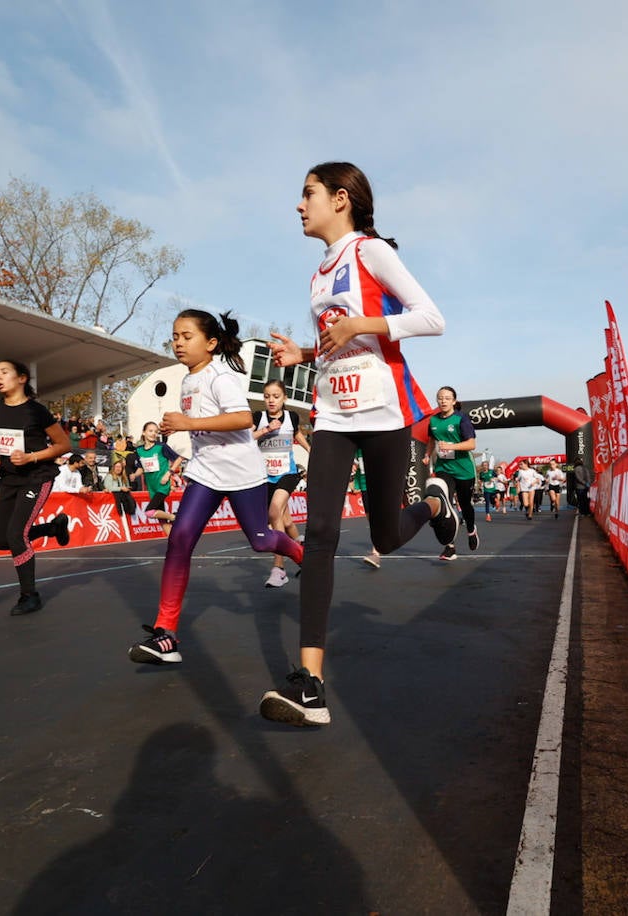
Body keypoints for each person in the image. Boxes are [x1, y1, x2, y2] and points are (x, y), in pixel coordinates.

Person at [259, 161, 457, 726]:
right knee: (319, 534)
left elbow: (432, 318)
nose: (299, 205)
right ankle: (311, 685)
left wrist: (364, 324)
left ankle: (435, 502)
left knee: (386, 536)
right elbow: (337, 340)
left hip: (385, 412)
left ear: (340, 199)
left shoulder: (369, 252)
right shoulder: (319, 274)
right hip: (333, 415)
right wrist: (306, 353)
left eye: (308, 194)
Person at [127, 309, 305, 666]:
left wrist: (188, 422)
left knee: (260, 540)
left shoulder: (220, 375)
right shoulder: (187, 380)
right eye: (175, 335)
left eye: (186, 336)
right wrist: (179, 429)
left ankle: (304, 556)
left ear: (210, 343)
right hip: (206, 472)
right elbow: (202, 427)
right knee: (180, 538)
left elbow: (243, 418)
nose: (178, 342)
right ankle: (166, 633)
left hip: (241, 474)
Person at [0, 359, 72, 616]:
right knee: (1, 540)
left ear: (21, 378)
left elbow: (64, 445)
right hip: (10, 478)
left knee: (17, 535)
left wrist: (31, 457)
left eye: (4, 372)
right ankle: (53, 527)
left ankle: (29, 596)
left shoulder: (37, 411)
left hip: (37, 476)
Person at [253, 378, 309, 588]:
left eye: (276, 396)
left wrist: (312, 451)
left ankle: (279, 569)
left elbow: (297, 435)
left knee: (275, 511)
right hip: (265, 476)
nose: (271, 401)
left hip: (288, 473)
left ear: (284, 398)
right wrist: (266, 430)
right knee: (285, 521)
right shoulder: (258, 417)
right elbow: (247, 439)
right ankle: (303, 554)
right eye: (267, 397)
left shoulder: (291, 417)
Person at [426, 385, 479, 559]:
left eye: (447, 398)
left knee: (465, 505)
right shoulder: (433, 421)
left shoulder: (461, 419)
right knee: (443, 504)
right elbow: (432, 441)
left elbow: (471, 444)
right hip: (443, 468)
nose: (443, 401)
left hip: (463, 469)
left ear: (454, 401)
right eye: (440, 397)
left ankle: (471, 530)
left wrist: (451, 446)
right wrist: (427, 455)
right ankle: (450, 546)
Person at [133, 421, 183, 535]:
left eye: (156, 432)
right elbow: (141, 468)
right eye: (150, 431)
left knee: (149, 511)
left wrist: (168, 473)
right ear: (144, 433)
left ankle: (175, 517)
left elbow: (178, 459)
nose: (153, 434)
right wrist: (134, 475)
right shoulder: (139, 450)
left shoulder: (161, 447)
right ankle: (175, 544)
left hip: (162, 484)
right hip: (151, 487)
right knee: (161, 519)